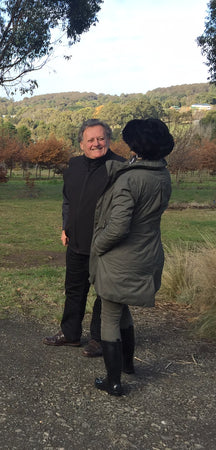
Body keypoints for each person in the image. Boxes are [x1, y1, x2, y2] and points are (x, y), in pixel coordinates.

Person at [90, 118, 174, 396]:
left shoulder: (130, 178)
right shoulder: (162, 175)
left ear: (138, 145)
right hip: (147, 253)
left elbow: (118, 227)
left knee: (110, 316)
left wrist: (98, 245)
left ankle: (112, 381)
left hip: (121, 259)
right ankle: (127, 365)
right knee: (122, 310)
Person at [43, 119, 125, 357]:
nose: (96, 144)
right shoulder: (74, 165)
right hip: (76, 241)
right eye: (90, 140)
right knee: (74, 290)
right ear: (81, 144)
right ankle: (70, 334)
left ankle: (100, 339)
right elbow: (68, 200)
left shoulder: (120, 167)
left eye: (101, 138)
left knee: (105, 294)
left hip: (106, 245)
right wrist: (65, 226)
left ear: (108, 140)